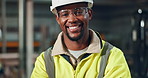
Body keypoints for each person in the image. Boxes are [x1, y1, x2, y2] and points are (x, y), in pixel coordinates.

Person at [31, 0, 131, 78]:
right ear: (58, 19)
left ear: (89, 14)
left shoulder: (112, 56)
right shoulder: (45, 61)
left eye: (78, 12)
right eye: (65, 14)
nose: (72, 19)